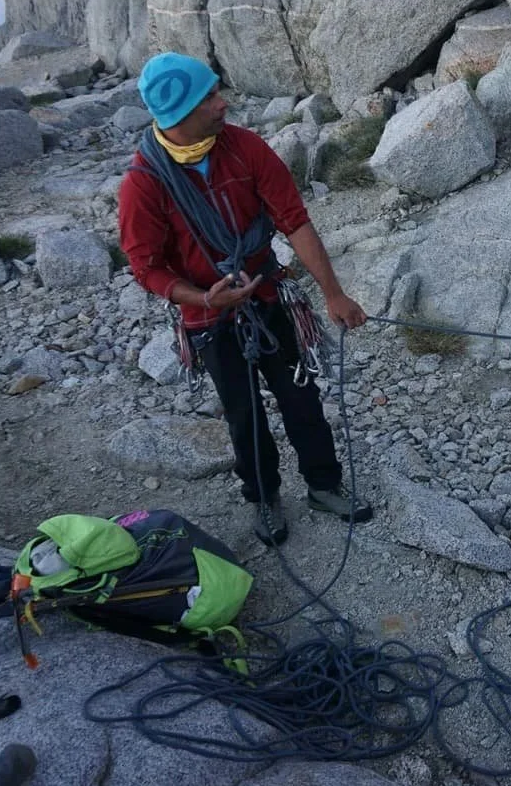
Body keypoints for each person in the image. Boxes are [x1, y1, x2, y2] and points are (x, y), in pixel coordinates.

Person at [118, 51, 370, 546]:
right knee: (242, 409)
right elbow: (146, 267)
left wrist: (334, 294)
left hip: (268, 295)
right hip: (208, 317)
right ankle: (264, 497)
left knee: (301, 396)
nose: (222, 103)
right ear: (179, 115)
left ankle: (322, 484)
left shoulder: (244, 148)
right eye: (208, 97)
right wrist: (205, 299)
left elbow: (293, 220)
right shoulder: (142, 186)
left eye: (217, 91)